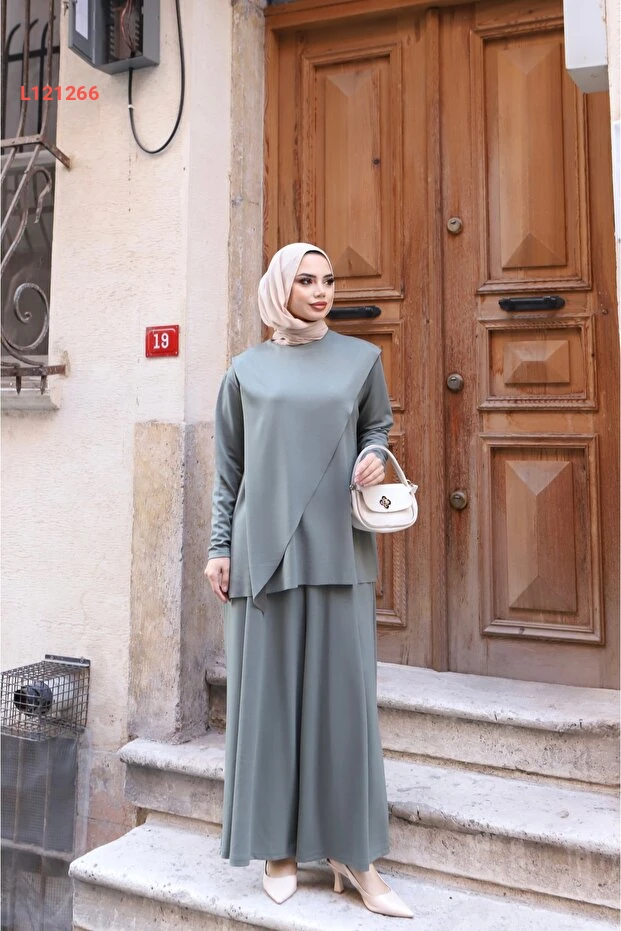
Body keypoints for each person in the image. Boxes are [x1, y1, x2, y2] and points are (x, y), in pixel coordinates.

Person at [205, 242, 413, 920]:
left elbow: (377, 427)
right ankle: (277, 849)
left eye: (328, 280)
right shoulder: (245, 370)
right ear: (280, 289)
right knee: (267, 705)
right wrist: (218, 548)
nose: (321, 291)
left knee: (342, 706)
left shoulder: (361, 360)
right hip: (262, 554)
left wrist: (374, 454)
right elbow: (229, 469)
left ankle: (355, 856)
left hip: (338, 551)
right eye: (306, 280)